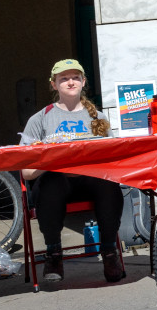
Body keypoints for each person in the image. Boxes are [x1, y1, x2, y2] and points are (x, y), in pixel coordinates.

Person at [20, 59, 125, 284]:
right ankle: (54, 254)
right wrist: (52, 159)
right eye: (64, 78)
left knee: (108, 183)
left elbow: (114, 159)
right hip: (58, 185)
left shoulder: (98, 117)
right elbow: (27, 172)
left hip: (90, 183)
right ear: (54, 84)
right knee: (51, 182)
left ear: (83, 81)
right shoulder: (40, 119)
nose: (70, 82)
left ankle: (109, 253)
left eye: (75, 77)